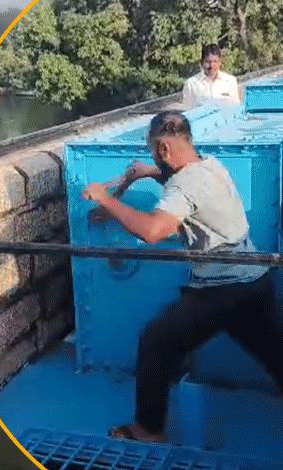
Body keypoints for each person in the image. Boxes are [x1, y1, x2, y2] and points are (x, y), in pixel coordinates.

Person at [81, 111, 283, 443]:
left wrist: (105, 199)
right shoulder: (210, 166)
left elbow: (153, 230)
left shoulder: (183, 183)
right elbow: (188, 189)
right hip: (254, 279)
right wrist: (149, 173)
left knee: (156, 342)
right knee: (276, 353)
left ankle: (148, 429)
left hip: (221, 290)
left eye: (152, 153)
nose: (152, 158)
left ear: (163, 149)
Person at [182, 44, 241, 109]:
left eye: (215, 61)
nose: (211, 65)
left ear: (220, 62)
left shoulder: (230, 81)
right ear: (202, 63)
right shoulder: (191, 84)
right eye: (208, 62)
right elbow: (186, 112)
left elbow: (236, 108)